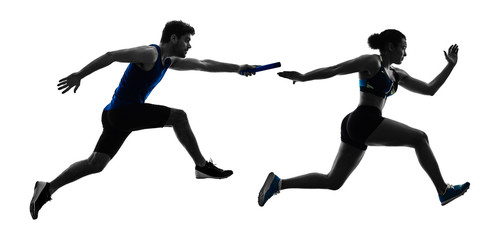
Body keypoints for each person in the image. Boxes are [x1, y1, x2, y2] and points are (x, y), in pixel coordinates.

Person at [30, 20, 257, 219]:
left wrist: (238, 68)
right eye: (187, 40)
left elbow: (204, 64)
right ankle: (202, 166)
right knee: (179, 117)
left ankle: (47, 188)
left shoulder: (170, 62)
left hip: (115, 116)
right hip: (123, 113)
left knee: (95, 164)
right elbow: (111, 56)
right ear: (173, 38)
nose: (190, 45)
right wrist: (80, 74)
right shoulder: (151, 54)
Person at [258, 29, 469, 207]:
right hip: (364, 120)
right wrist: (304, 77)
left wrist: (450, 65)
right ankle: (443, 190)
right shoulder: (372, 62)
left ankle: (278, 183)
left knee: (334, 181)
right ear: (389, 46)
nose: (406, 52)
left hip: (359, 124)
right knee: (419, 138)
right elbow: (336, 69)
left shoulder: (397, 74)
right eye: (403, 47)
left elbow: (430, 89)